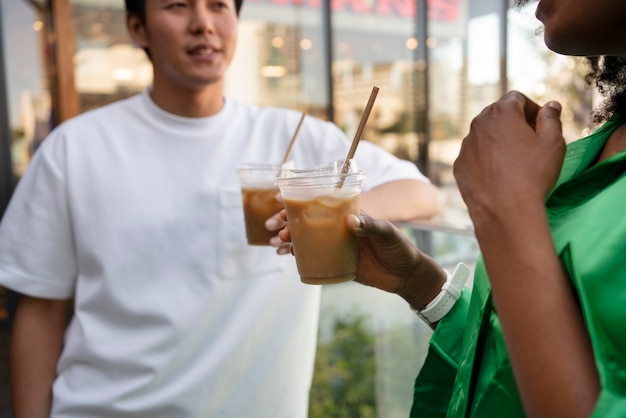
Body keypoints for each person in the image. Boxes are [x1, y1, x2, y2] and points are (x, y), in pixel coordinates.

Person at [0, 1, 441, 417]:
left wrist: (324, 212)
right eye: (177, 5)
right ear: (137, 28)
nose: (203, 23)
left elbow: (421, 193)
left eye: (219, 6)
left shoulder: (296, 135)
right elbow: (41, 309)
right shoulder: (74, 148)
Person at [279, 0, 626, 416]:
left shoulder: (546, 167)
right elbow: (511, 367)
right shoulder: (592, 149)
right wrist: (421, 284)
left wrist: (505, 208)